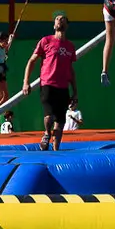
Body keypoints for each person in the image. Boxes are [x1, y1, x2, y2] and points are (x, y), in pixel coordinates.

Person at [23, 13, 78, 151]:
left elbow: (71, 71)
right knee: (49, 115)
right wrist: (26, 82)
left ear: (67, 25)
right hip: (48, 83)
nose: (60, 21)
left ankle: (56, 149)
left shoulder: (70, 46)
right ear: (54, 25)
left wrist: (75, 91)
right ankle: (47, 133)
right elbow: (32, 61)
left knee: (60, 121)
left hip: (63, 87)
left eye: (63, 19)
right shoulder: (46, 41)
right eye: (57, 19)